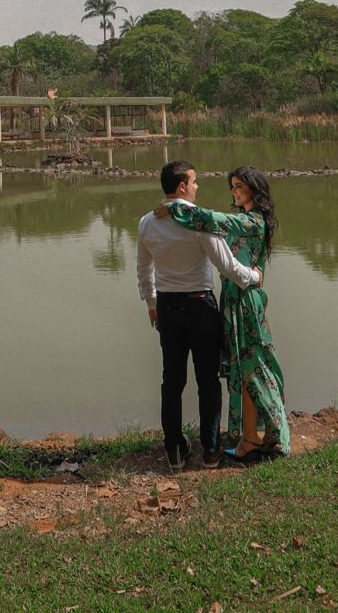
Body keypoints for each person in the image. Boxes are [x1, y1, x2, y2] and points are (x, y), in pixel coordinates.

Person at [156, 165, 289, 460]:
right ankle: (255, 433)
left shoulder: (252, 221)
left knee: (250, 367)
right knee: (244, 368)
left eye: (240, 186)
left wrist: (174, 208)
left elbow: (213, 220)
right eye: (232, 186)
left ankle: (256, 436)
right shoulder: (244, 219)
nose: (234, 191)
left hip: (245, 299)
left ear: (255, 189)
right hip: (232, 296)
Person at [137, 159, 264, 471]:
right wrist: (255, 277)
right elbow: (228, 268)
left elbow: (144, 269)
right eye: (193, 182)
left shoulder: (147, 222)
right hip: (199, 306)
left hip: (167, 307)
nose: (196, 187)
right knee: (207, 381)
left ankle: (175, 450)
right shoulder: (199, 223)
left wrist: (152, 303)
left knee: (172, 381)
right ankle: (210, 451)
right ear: (182, 186)